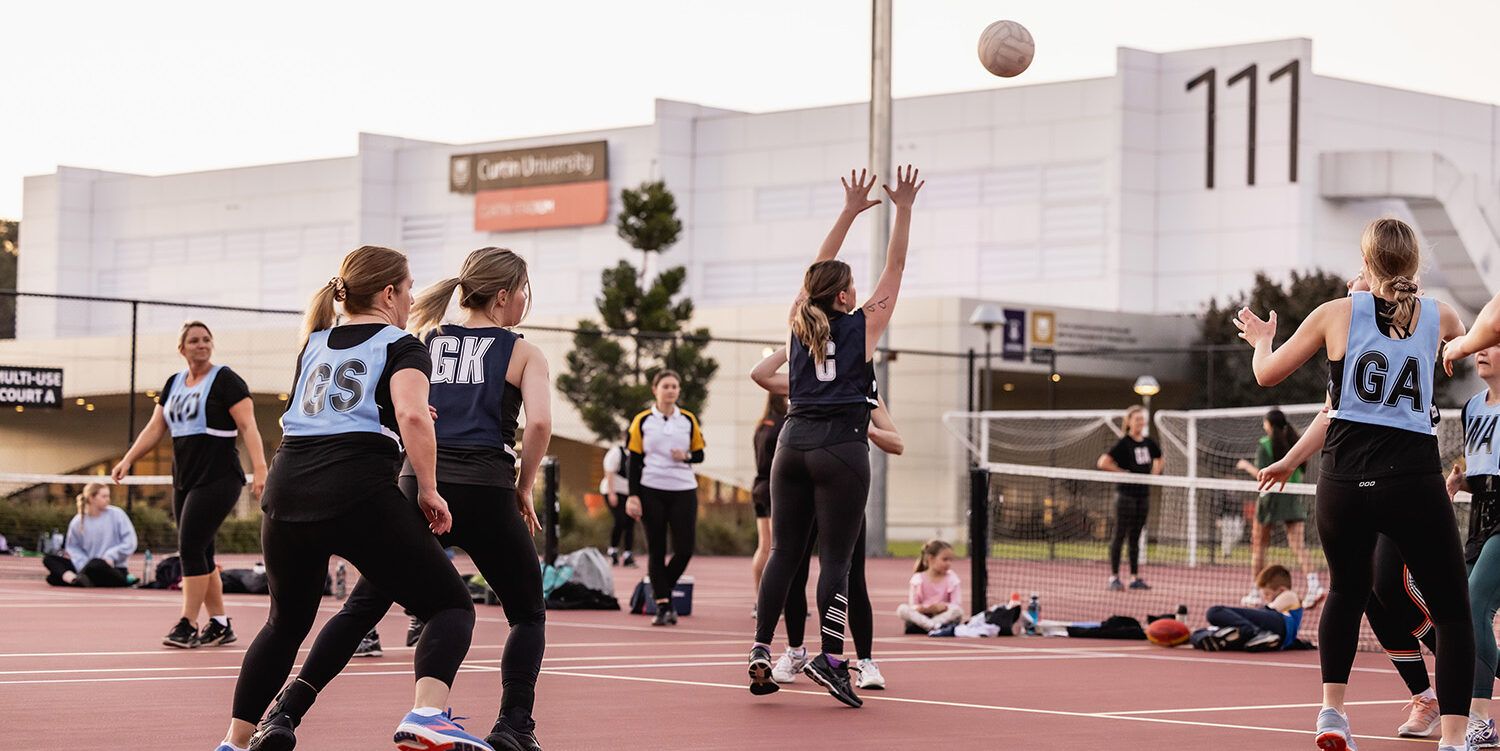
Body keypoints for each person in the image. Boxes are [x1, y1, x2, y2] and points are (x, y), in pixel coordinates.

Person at [249, 247, 550, 751]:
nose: (524, 301)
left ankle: (286, 711)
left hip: (418, 483)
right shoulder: (521, 351)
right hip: (484, 485)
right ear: (504, 296)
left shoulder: (425, 339)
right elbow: (538, 423)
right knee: (526, 612)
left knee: (363, 606)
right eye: (523, 292)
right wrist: (524, 486)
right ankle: (512, 723)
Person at [1235, 217, 1472, 751]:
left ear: (1365, 264)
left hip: (1344, 478)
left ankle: (1332, 714)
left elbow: (1266, 374)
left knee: (1346, 591)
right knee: (1454, 612)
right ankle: (1454, 739)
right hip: (1411, 476)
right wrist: (1447, 354)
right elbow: (1467, 346)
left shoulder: (1336, 314)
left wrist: (1262, 340)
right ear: (1414, 265)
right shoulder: (1441, 315)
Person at [749, 164, 922, 709]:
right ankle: (830, 658)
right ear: (848, 297)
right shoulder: (864, 325)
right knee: (837, 564)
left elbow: (813, 272)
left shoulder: (798, 321)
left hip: (790, 444)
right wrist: (905, 208)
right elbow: (895, 265)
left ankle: (759, 648)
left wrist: (848, 211)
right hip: (840, 448)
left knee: (782, 553)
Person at [751, 347, 902, 691]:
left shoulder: (865, 391)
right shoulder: (807, 379)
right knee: (794, 569)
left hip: (843, 491)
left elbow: (898, 443)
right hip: (805, 484)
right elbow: (760, 374)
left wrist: (866, 429)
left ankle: (865, 660)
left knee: (853, 575)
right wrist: (790, 345)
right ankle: (793, 651)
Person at [113, 319, 267, 649]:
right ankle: (221, 624)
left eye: (206, 339)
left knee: (191, 548)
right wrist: (128, 459)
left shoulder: (226, 380)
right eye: (194, 340)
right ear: (182, 349)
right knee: (202, 551)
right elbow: (155, 428)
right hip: (185, 480)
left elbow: (249, 427)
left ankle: (187, 623)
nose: (201, 344)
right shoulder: (173, 384)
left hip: (219, 479)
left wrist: (260, 470)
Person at [1445, 343, 1500, 747]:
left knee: (1475, 602)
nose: (1481, 353)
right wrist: (1459, 482)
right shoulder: (1472, 408)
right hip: (1479, 515)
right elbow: (1480, 466)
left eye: (1493, 346)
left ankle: (1479, 719)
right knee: (1461, 614)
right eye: (1479, 347)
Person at [625, 370, 706, 626]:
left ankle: (661, 591)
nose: (671, 390)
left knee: (684, 549)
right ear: (655, 390)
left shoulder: (688, 420)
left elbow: (700, 454)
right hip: (652, 489)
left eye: (674, 386)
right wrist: (633, 496)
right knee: (656, 550)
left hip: (683, 488)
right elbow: (634, 462)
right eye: (666, 386)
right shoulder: (642, 420)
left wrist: (687, 457)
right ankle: (662, 607)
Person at [1234, 408, 1324, 608]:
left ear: (1269, 424)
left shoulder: (1264, 444)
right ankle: (1314, 584)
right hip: (1292, 497)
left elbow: (1262, 473)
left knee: (1259, 546)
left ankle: (1256, 592)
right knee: (1298, 546)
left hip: (1270, 498)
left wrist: (1245, 466)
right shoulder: (1297, 442)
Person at [1096, 405, 1163, 591]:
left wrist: (1154, 475)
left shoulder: (1149, 443)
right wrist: (1122, 473)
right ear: (1129, 422)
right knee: (1119, 534)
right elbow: (1103, 462)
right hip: (1125, 496)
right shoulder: (1123, 443)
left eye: (1142, 419)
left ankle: (1135, 577)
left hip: (1143, 495)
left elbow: (1159, 458)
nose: (1140, 422)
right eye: (1137, 419)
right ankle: (1114, 577)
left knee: (1135, 537)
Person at [42, 482, 137, 588]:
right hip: (85, 566)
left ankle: (76, 579)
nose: (108, 499)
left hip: (111, 568)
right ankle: (76, 579)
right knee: (49, 559)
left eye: (108, 496)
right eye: (104, 496)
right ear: (92, 498)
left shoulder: (117, 515)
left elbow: (130, 542)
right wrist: (82, 563)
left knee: (96, 563)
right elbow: (73, 548)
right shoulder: (78, 521)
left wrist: (111, 556)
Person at [1197, 565, 1304, 652]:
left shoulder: (1290, 595)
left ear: (1281, 590)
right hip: (1273, 637)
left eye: (1267, 594)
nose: (1265, 598)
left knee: (1214, 611)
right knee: (1198, 634)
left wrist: (1253, 612)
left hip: (1278, 625)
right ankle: (1242, 635)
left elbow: (1270, 609)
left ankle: (1253, 632)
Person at [750, 392, 787, 617]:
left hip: (758, 486)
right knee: (779, 548)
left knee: (764, 546)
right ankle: (778, 602)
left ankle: (759, 601)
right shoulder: (784, 424)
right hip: (775, 487)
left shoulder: (761, 424)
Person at [896, 540, 964, 634]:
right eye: (945, 559)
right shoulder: (918, 579)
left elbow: (956, 604)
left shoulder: (952, 578)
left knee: (957, 611)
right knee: (902, 609)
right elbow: (913, 605)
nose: (948, 563)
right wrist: (927, 609)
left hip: (942, 615)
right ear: (931, 559)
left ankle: (930, 626)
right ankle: (933, 626)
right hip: (923, 615)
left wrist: (942, 607)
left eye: (950, 560)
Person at [600, 432, 637, 567]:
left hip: (630, 493)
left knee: (630, 523)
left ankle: (628, 554)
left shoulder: (636, 453)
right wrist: (611, 493)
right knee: (620, 519)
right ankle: (613, 551)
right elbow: (609, 472)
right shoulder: (617, 452)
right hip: (614, 490)